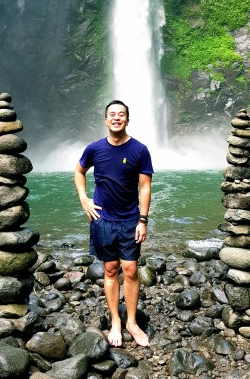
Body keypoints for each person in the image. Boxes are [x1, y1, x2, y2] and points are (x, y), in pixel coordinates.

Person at [74, 100, 153, 348]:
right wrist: (84, 200)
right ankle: (115, 321)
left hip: (130, 219)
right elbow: (79, 172)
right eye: (112, 114)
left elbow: (145, 186)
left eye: (121, 114)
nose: (116, 118)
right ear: (106, 119)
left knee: (130, 269)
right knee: (110, 269)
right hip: (103, 219)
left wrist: (143, 220)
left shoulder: (140, 150)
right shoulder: (94, 149)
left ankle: (132, 322)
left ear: (127, 119)